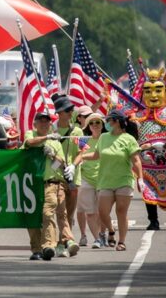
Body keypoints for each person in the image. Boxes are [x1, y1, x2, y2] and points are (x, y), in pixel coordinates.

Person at [80, 110, 143, 252]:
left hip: (124, 180)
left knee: (121, 211)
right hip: (105, 181)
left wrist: (141, 179)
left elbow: (136, 161)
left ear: (118, 122)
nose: (107, 123)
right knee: (102, 212)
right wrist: (80, 158)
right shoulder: (103, 137)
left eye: (110, 120)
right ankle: (111, 230)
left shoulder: (128, 139)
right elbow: (96, 155)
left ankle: (121, 241)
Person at [23, 112, 77, 261]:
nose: (44, 124)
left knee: (48, 213)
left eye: (47, 122)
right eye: (41, 122)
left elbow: (59, 166)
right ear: (35, 124)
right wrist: (46, 138)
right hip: (31, 184)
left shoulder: (56, 142)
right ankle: (37, 249)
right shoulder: (31, 133)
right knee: (33, 217)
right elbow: (29, 143)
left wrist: (52, 155)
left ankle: (49, 245)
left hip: (50, 183)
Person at [52, 94, 82, 256]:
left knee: (69, 213)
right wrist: (59, 166)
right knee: (60, 211)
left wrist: (72, 165)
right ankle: (67, 242)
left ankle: (63, 244)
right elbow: (48, 156)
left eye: (71, 109)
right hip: (56, 176)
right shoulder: (52, 130)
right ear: (59, 112)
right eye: (67, 110)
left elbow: (82, 152)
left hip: (73, 177)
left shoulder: (77, 130)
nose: (71, 112)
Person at [73, 113, 108, 248]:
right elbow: (77, 155)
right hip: (86, 178)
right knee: (90, 212)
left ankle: (103, 234)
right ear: (88, 125)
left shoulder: (107, 138)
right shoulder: (83, 140)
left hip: (104, 178)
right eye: (92, 123)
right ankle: (97, 238)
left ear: (102, 124)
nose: (94, 125)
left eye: (97, 122)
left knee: (103, 212)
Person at [139, 137, 166, 229]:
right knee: (149, 191)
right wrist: (143, 147)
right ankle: (153, 221)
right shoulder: (138, 122)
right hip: (149, 165)